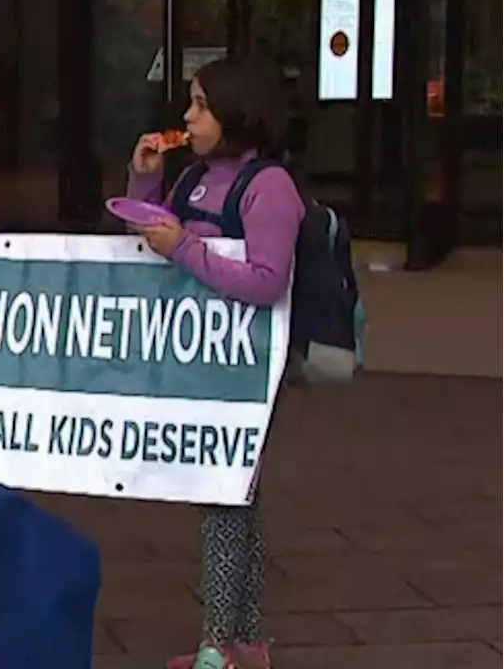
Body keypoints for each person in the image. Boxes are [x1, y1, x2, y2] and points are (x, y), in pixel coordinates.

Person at [126, 56, 304, 669]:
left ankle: (215, 646)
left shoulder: (269, 188)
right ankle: (246, 645)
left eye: (199, 104)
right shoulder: (196, 175)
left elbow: (265, 279)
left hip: (247, 367)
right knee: (238, 498)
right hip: (204, 363)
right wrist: (145, 183)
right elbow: (155, 234)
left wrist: (187, 249)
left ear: (235, 112)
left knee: (225, 495)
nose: (187, 116)